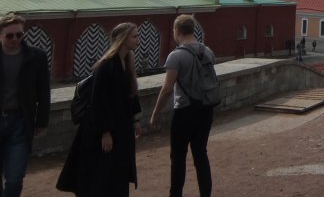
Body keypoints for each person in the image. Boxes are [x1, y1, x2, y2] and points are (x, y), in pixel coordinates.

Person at [57, 22, 142, 196]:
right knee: (101, 175)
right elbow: (98, 100)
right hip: (104, 129)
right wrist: (105, 132)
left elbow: (131, 94)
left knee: (117, 173)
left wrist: (136, 119)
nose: (138, 40)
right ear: (123, 39)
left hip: (122, 128)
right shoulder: (106, 65)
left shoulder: (127, 62)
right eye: (134, 36)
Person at [150, 15, 215, 197]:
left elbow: (167, 89)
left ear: (177, 31)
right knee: (200, 155)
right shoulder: (208, 51)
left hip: (184, 111)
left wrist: (156, 113)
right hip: (205, 109)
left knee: (178, 157)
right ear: (193, 29)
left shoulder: (176, 55)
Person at [0, 13, 50, 197]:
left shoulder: (36, 56)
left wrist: (42, 121)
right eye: (9, 35)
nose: (15, 39)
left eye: (19, 35)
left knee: (15, 177)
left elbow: (43, 90)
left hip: (20, 121)